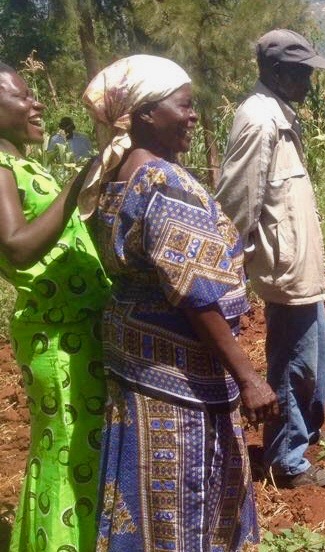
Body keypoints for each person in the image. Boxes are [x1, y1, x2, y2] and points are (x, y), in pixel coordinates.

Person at [80, 54, 278, 550]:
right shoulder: (164, 182)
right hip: (181, 375)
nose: (193, 116)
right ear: (147, 113)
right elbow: (195, 294)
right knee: (189, 505)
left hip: (137, 363)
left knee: (145, 495)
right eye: (184, 106)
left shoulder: (116, 176)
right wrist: (249, 377)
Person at [216, 29, 325, 489]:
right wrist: (229, 267)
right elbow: (235, 201)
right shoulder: (259, 119)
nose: (309, 80)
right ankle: (285, 460)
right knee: (294, 364)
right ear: (275, 71)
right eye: (301, 71)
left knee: (316, 356)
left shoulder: (279, 115)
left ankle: (302, 436)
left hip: (300, 264)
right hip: (285, 266)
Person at [0, 61, 109, 552]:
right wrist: (77, 182)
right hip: (56, 336)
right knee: (68, 457)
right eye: (23, 96)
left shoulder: (21, 162)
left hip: (74, 331)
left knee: (73, 457)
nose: (37, 103)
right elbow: (17, 246)